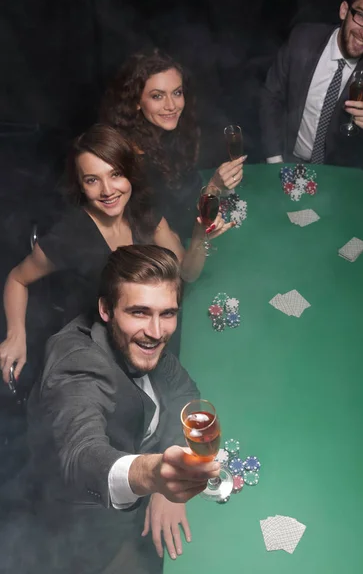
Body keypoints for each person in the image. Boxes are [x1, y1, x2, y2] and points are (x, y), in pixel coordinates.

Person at [26, 245, 219, 573]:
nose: (156, 332)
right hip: (86, 522)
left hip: (139, 493)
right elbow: (81, 452)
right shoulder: (78, 364)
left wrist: (165, 487)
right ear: (106, 309)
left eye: (168, 313)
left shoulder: (142, 342)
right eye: (139, 312)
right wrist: (153, 475)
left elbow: (185, 393)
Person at [0, 124, 233, 385]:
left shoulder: (141, 209)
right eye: (92, 180)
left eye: (116, 174)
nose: (107, 190)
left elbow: (186, 272)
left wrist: (200, 235)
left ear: (129, 173)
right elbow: (17, 279)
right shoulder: (71, 235)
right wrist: (15, 335)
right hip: (102, 348)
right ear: (80, 185)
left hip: (152, 331)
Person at [260, 0, 363, 169]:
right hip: (289, 160)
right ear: (344, 10)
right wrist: (275, 162)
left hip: (341, 176)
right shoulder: (302, 39)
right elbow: (271, 96)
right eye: (362, 16)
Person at [100, 50, 246, 240]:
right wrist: (214, 188)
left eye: (177, 93)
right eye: (157, 96)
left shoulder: (173, 132)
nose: (172, 105)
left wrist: (213, 190)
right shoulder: (129, 160)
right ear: (136, 101)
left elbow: (189, 195)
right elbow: (176, 225)